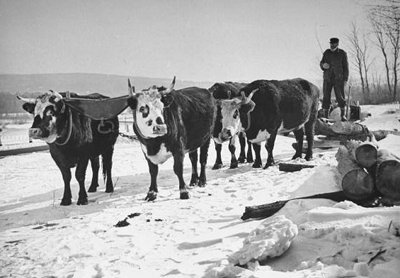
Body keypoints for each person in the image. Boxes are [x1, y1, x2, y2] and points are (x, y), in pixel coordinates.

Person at [320, 37, 349, 121]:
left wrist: (345, 79)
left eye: (334, 44)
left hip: (338, 79)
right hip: (327, 78)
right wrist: (323, 65)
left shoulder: (342, 53)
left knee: (340, 97)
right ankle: (326, 117)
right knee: (326, 97)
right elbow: (321, 63)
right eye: (331, 44)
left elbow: (346, 67)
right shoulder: (326, 52)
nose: (332, 45)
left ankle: (342, 116)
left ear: (337, 44)